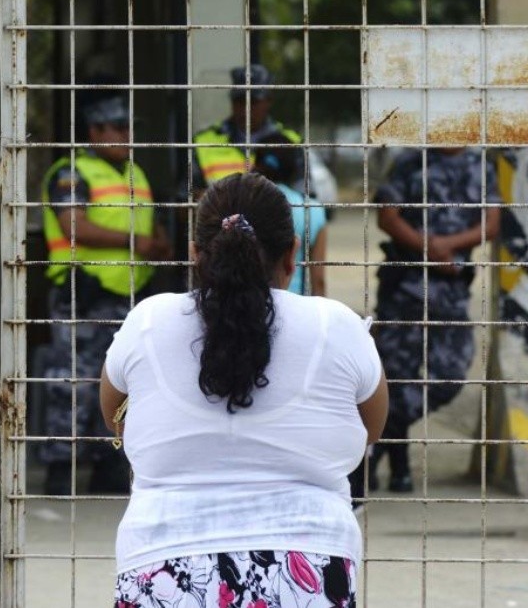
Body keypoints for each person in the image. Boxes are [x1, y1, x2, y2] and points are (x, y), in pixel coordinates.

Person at [99, 172, 387, 607]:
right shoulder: (337, 326)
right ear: (292, 255)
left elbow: (115, 415)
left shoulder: (148, 322)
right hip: (307, 569)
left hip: (161, 565)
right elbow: (371, 427)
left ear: (196, 255)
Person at [39, 87, 171, 496]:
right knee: (73, 382)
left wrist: (160, 243)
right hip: (84, 293)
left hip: (129, 298)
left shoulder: (136, 173)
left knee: (123, 383)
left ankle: (108, 465)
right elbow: (72, 225)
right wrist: (136, 242)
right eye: (118, 126)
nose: (127, 134)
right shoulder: (71, 172)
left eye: (130, 126)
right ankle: (60, 468)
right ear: (95, 131)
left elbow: (150, 225)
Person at [362, 146, 501, 494]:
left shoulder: (478, 164)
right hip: (404, 289)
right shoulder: (410, 160)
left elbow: (492, 222)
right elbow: (387, 216)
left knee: (447, 377)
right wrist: (428, 248)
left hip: (450, 291)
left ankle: (369, 447)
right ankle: (398, 470)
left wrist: (446, 246)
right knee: (394, 376)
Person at [191, 64, 302, 190]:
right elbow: (185, 200)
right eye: (240, 101)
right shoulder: (203, 143)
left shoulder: (291, 142)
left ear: (269, 101)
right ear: (231, 102)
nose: (245, 109)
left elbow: (305, 199)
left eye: (253, 102)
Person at [252, 134, 328, 296]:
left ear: (256, 164)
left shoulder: (244, 204)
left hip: (251, 305)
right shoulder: (313, 209)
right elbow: (318, 280)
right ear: (295, 167)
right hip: (296, 307)